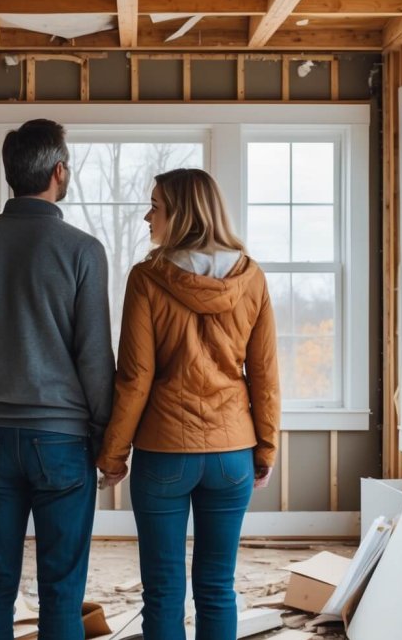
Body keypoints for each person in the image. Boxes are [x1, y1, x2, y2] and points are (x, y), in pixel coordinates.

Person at [0, 118, 115, 640]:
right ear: (59, 171)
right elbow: (94, 360)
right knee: (62, 590)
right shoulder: (82, 250)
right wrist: (105, 435)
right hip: (62, 441)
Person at [96, 168, 280, 640]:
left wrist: (113, 454)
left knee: (162, 591)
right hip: (231, 453)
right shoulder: (251, 277)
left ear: (179, 213)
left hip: (164, 454)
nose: (146, 216)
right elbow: (264, 376)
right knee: (218, 587)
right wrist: (266, 449)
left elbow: (135, 377)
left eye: (155, 206)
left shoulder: (148, 277)